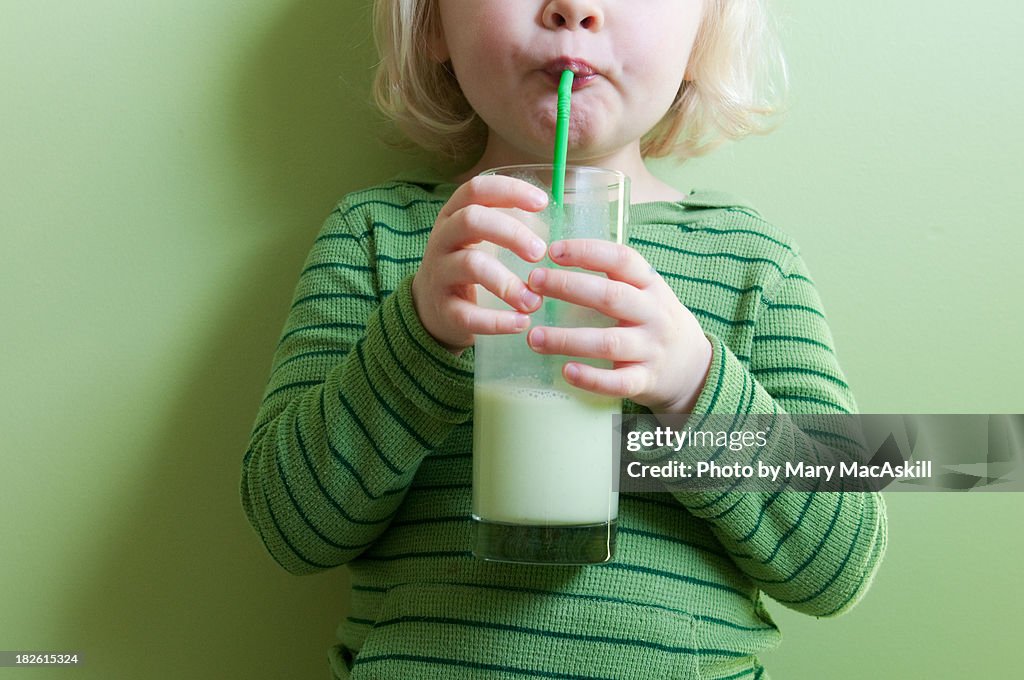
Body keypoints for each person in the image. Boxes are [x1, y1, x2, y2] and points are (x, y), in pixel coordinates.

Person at [240, 1, 888, 678]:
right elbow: (291, 529)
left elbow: (838, 566)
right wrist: (417, 340)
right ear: (432, 23)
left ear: (703, 36)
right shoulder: (380, 237)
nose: (574, 7)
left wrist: (693, 385)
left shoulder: (749, 259)